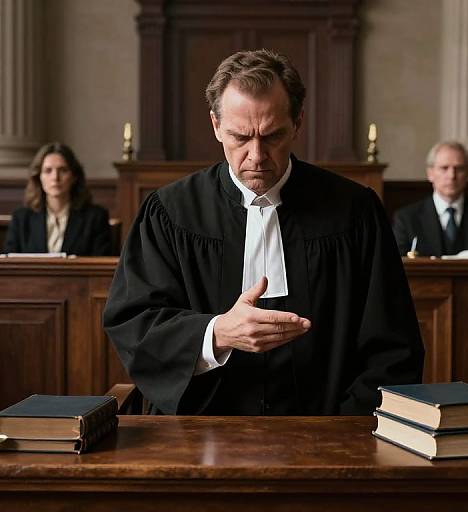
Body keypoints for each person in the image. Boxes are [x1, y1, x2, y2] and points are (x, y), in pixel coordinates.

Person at [103, 49, 424, 416]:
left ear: (298, 122)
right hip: (200, 430)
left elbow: (393, 344)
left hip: (330, 431)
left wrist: (347, 427)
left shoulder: (354, 212)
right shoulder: (170, 212)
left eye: (273, 136)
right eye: (240, 137)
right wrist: (218, 333)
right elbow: (134, 324)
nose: (256, 156)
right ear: (215, 125)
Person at [393, 141, 468, 257]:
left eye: (459, 169)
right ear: (430, 173)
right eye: (444, 168)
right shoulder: (406, 219)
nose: (452, 176)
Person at [3, 142, 112, 256]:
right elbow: (9, 264)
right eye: (48, 170)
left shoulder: (95, 217)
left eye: (63, 170)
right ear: (39, 176)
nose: (55, 177)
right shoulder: (21, 218)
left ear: (74, 176)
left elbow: (102, 264)